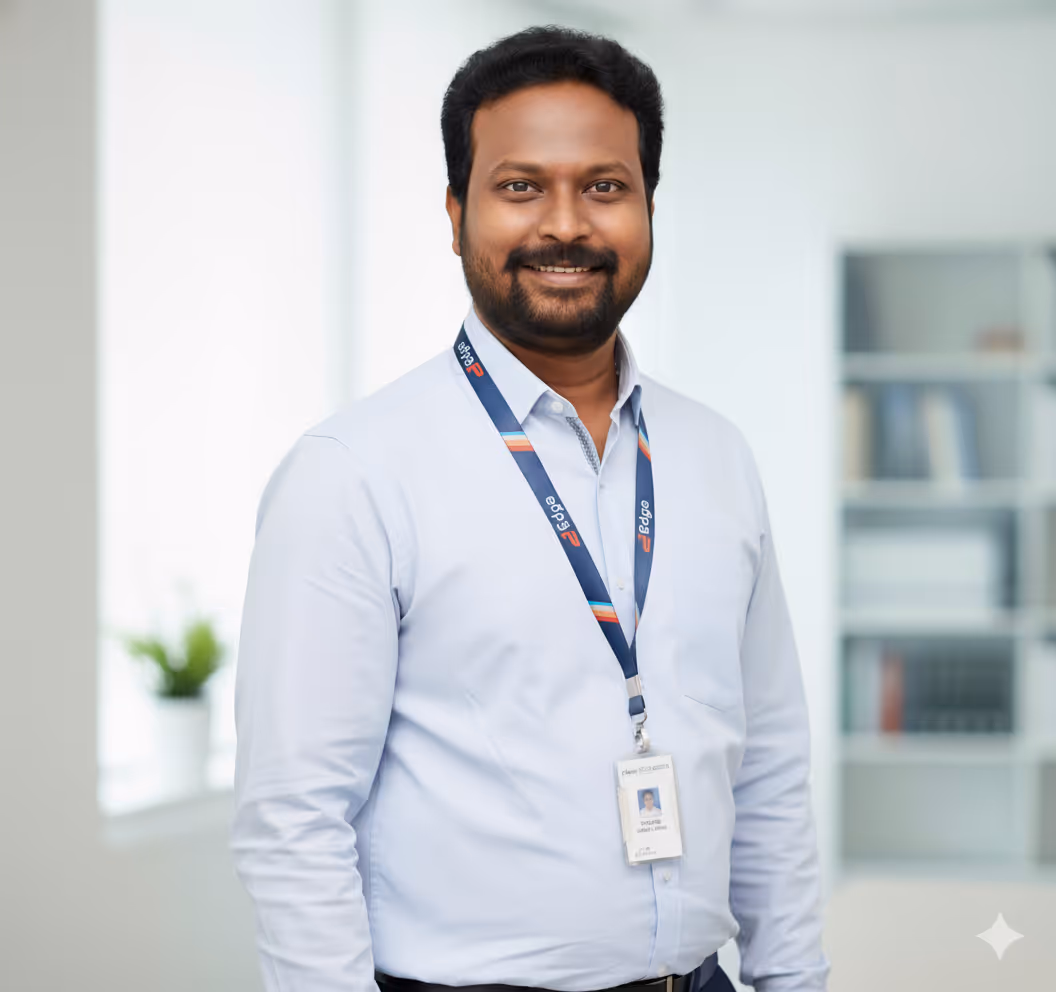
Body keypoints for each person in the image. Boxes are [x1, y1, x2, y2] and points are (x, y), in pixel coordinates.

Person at [230, 25, 830, 992]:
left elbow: (768, 773)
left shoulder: (717, 457)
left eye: (605, 186)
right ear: (458, 210)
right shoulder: (353, 473)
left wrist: (796, 981)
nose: (567, 225)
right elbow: (294, 818)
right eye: (520, 187)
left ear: (646, 206)